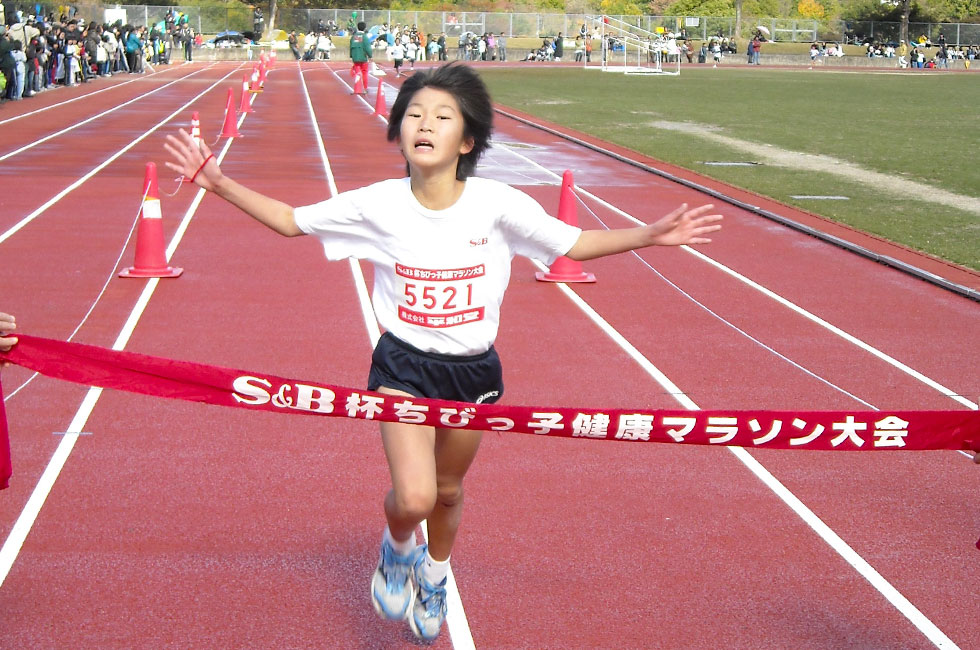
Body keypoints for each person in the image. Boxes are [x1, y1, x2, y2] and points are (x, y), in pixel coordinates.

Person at [163, 62, 722, 642]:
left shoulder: (496, 205)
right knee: (416, 494)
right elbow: (289, 221)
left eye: (442, 116)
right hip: (403, 366)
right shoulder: (379, 204)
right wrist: (218, 182)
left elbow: (573, 242)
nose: (424, 124)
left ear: (468, 140)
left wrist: (649, 235)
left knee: (449, 491)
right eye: (413, 114)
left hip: (473, 369)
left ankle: (435, 571)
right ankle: (399, 547)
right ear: (400, 130)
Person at [349, 20, 370, 94]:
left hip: (355, 58)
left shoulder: (354, 37)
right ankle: (365, 88)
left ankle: (357, 87)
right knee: (364, 73)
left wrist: (352, 55)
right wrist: (370, 55)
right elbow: (367, 47)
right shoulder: (365, 37)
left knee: (357, 72)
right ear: (364, 28)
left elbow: (351, 46)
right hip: (363, 58)